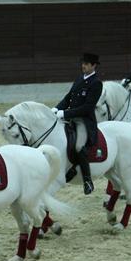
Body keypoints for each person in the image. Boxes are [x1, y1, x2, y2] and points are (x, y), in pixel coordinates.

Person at [52, 53, 102, 195]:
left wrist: (65, 113)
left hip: (84, 120)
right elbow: (68, 98)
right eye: (83, 63)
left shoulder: (96, 83)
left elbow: (87, 108)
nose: (83, 66)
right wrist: (57, 108)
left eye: (86, 64)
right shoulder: (80, 78)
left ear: (94, 65)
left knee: (79, 146)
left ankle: (87, 180)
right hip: (70, 117)